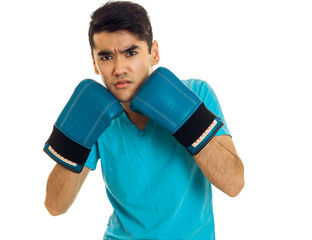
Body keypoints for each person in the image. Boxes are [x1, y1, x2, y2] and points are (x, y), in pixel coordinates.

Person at [43, 1, 244, 239]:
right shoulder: (99, 114)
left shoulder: (195, 94)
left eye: (131, 52)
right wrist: (74, 140)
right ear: (95, 64)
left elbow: (234, 184)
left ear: (154, 52)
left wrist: (186, 121)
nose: (119, 69)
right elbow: (55, 206)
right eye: (106, 57)